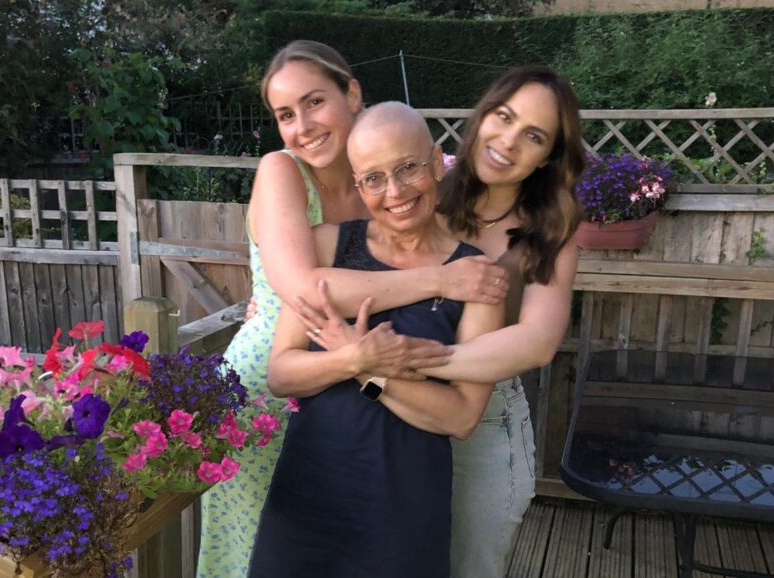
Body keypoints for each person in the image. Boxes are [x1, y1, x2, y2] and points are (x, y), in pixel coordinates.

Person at [197, 41, 508, 578]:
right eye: (285, 115)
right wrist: (440, 281)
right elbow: (304, 288)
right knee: (253, 549)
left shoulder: (378, 183)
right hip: (265, 397)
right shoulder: (283, 171)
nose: (303, 125)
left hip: (358, 424)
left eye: (314, 102)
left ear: (353, 93)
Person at [296, 65, 585, 577]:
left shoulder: (551, 227)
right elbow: (338, 262)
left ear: (549, 155)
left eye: (534, 135)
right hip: (393, 415)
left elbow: (538, 343)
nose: (509, 141)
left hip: (482, 423)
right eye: (505, 116)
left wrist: (410, 361)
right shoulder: (418, 185)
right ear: (484, 114)